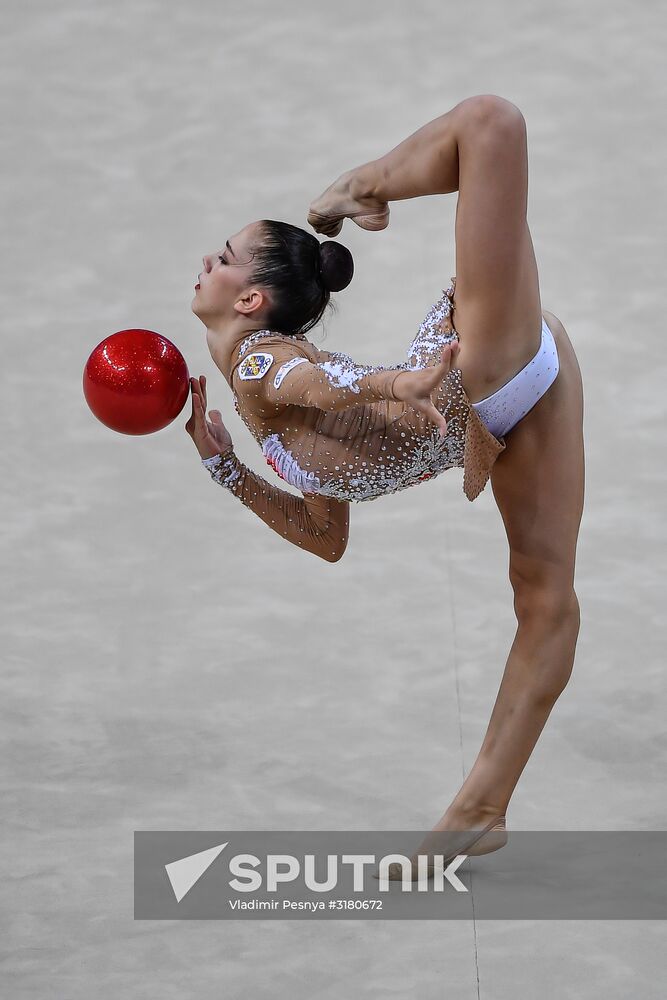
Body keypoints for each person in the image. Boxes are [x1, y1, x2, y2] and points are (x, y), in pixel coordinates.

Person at [186, 95, 585, 878]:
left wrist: (397, 384)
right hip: (515, 386)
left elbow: (322, 380)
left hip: (483, 359)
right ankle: (482, 807)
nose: (209, 261)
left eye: (223, 255)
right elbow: (324, 538)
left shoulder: (265, 365)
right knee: (545, 601)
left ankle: (360, 187)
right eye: (224, 253)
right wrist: (227, 469)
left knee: (491, 125)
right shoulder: (258, 395)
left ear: (249, 302)